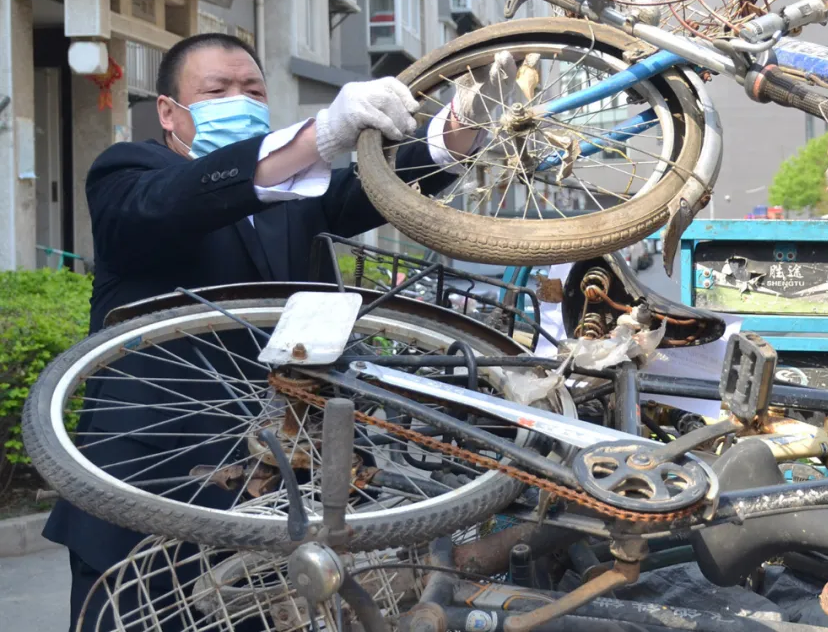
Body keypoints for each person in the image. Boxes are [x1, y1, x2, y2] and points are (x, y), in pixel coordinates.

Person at [43, 33, 519, 631]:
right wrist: (317, 136)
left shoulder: (301, 195)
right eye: (216, 90)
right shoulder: (129, 173)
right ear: (169, 112)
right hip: (147, 489)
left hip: (280, 494)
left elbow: (383, 187)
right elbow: (175, 203)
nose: (238, 99)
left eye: (253, 90)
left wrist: (462, 126)